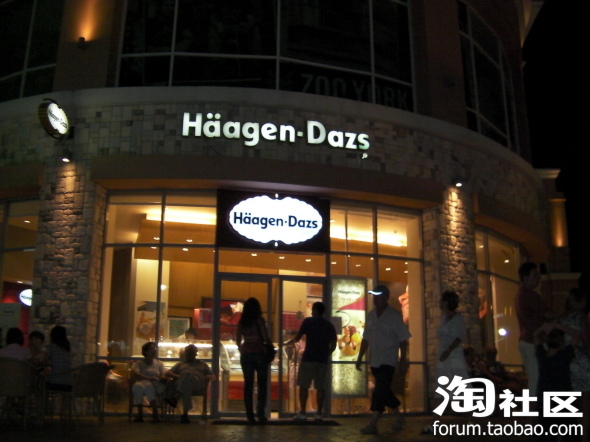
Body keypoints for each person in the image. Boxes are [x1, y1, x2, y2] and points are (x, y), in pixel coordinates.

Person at [355, 285, 411, 435]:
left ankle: (373, 423)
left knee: (379, 390)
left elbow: (403, 339)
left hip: (388, 359)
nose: (375, 299)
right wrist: (360, 357)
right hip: (375, 360)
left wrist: (403, 360)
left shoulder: (394, 316)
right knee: (384, 390)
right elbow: (366, 339)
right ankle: (399, 417)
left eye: (377, 296)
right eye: (374, 296)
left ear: (385, 297)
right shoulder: (371, 316)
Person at [422, 290, 470, 434]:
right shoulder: (442, 318)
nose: (439, 302)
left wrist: (448, 350)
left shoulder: (458, 319)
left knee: (462, 389)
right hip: (443, 359)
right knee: (441, 390)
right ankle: (434, 423)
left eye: (442, 300)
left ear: (447, 302)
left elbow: (458, 337)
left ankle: (472, 419)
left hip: (454, 358)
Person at [284, 301, 337, 421]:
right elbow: (333, 345)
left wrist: (289, 342)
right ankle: (319, 413)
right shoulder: (329, 325)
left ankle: (303, 412)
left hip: (308, 358)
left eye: (313, 310)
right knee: (320, 387)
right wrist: (326, 354)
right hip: (322, 361)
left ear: (315, 310)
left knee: (304, 386)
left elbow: (298, 337)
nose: (312, 312)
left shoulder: (308, 321)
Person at [515, 262, 554, 396]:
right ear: (526, 277)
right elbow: (548, 314)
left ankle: (534, 404)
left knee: (534, 376)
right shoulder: (530, 295)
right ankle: (534, 405)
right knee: (537, 377)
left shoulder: (521, 294)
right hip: (532, 341)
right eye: (535, 275)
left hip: (528, 340)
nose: (538, 278)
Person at [533, 322, 577, 440]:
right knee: (568, 431)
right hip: (563, 396)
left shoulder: (542, 356)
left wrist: (545, 327)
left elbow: (535, 335)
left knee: (547, 432)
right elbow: (576, 335)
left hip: (545, 396)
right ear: (561, 342)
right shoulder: (564, 355)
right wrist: (557, 326)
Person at [558, 288, 590, 441]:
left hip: (566, 362)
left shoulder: (561, 319)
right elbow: (586, 340)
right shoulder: (581, 318)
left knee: (567, 403)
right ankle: (584, 436)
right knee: (585, 404)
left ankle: (564, 433)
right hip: (582, 363)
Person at [236, 297, 272, 425]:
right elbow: (265, 337)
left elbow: (237, 340)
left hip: (246, 354)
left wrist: (242, 349)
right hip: (259, 353)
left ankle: (249, 415)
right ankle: (261, 414)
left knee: (248, 385)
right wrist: (270, 347)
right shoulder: (259, 320)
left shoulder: (242, 322)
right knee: (262, 384)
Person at [167, 344, 216, 423]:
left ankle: (175, 396)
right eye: (188, 353)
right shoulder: (180, 364)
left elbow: (212, 375)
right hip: (184, 384)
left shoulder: (202, 364)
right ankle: (185, 413)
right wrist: (179, 376)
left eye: (191, 353)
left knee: (187, 376)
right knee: (186, 382)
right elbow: (168, 372)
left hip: (197, 384)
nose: (189, 355)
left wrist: (208, 377)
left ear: (195, 354)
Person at [131, 341, 167, 422]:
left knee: (148, 386)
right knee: (138, 386)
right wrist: (148, 378)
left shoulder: (159, 363)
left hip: (155, 383)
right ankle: (140, 413)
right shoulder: (139, 363)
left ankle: (153, 411)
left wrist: (161, 378)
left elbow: (162, 374)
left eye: (154, 349)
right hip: (143, 381)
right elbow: (136, 373)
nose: (154, 351)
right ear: (146, 351)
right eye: (152, 349)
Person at [45, 325, 73, 392]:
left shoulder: (51, 347)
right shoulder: (68, 349)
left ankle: (42, 399)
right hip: (69, 383)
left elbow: (44, 360)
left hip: (55, 382)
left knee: (41, 384)